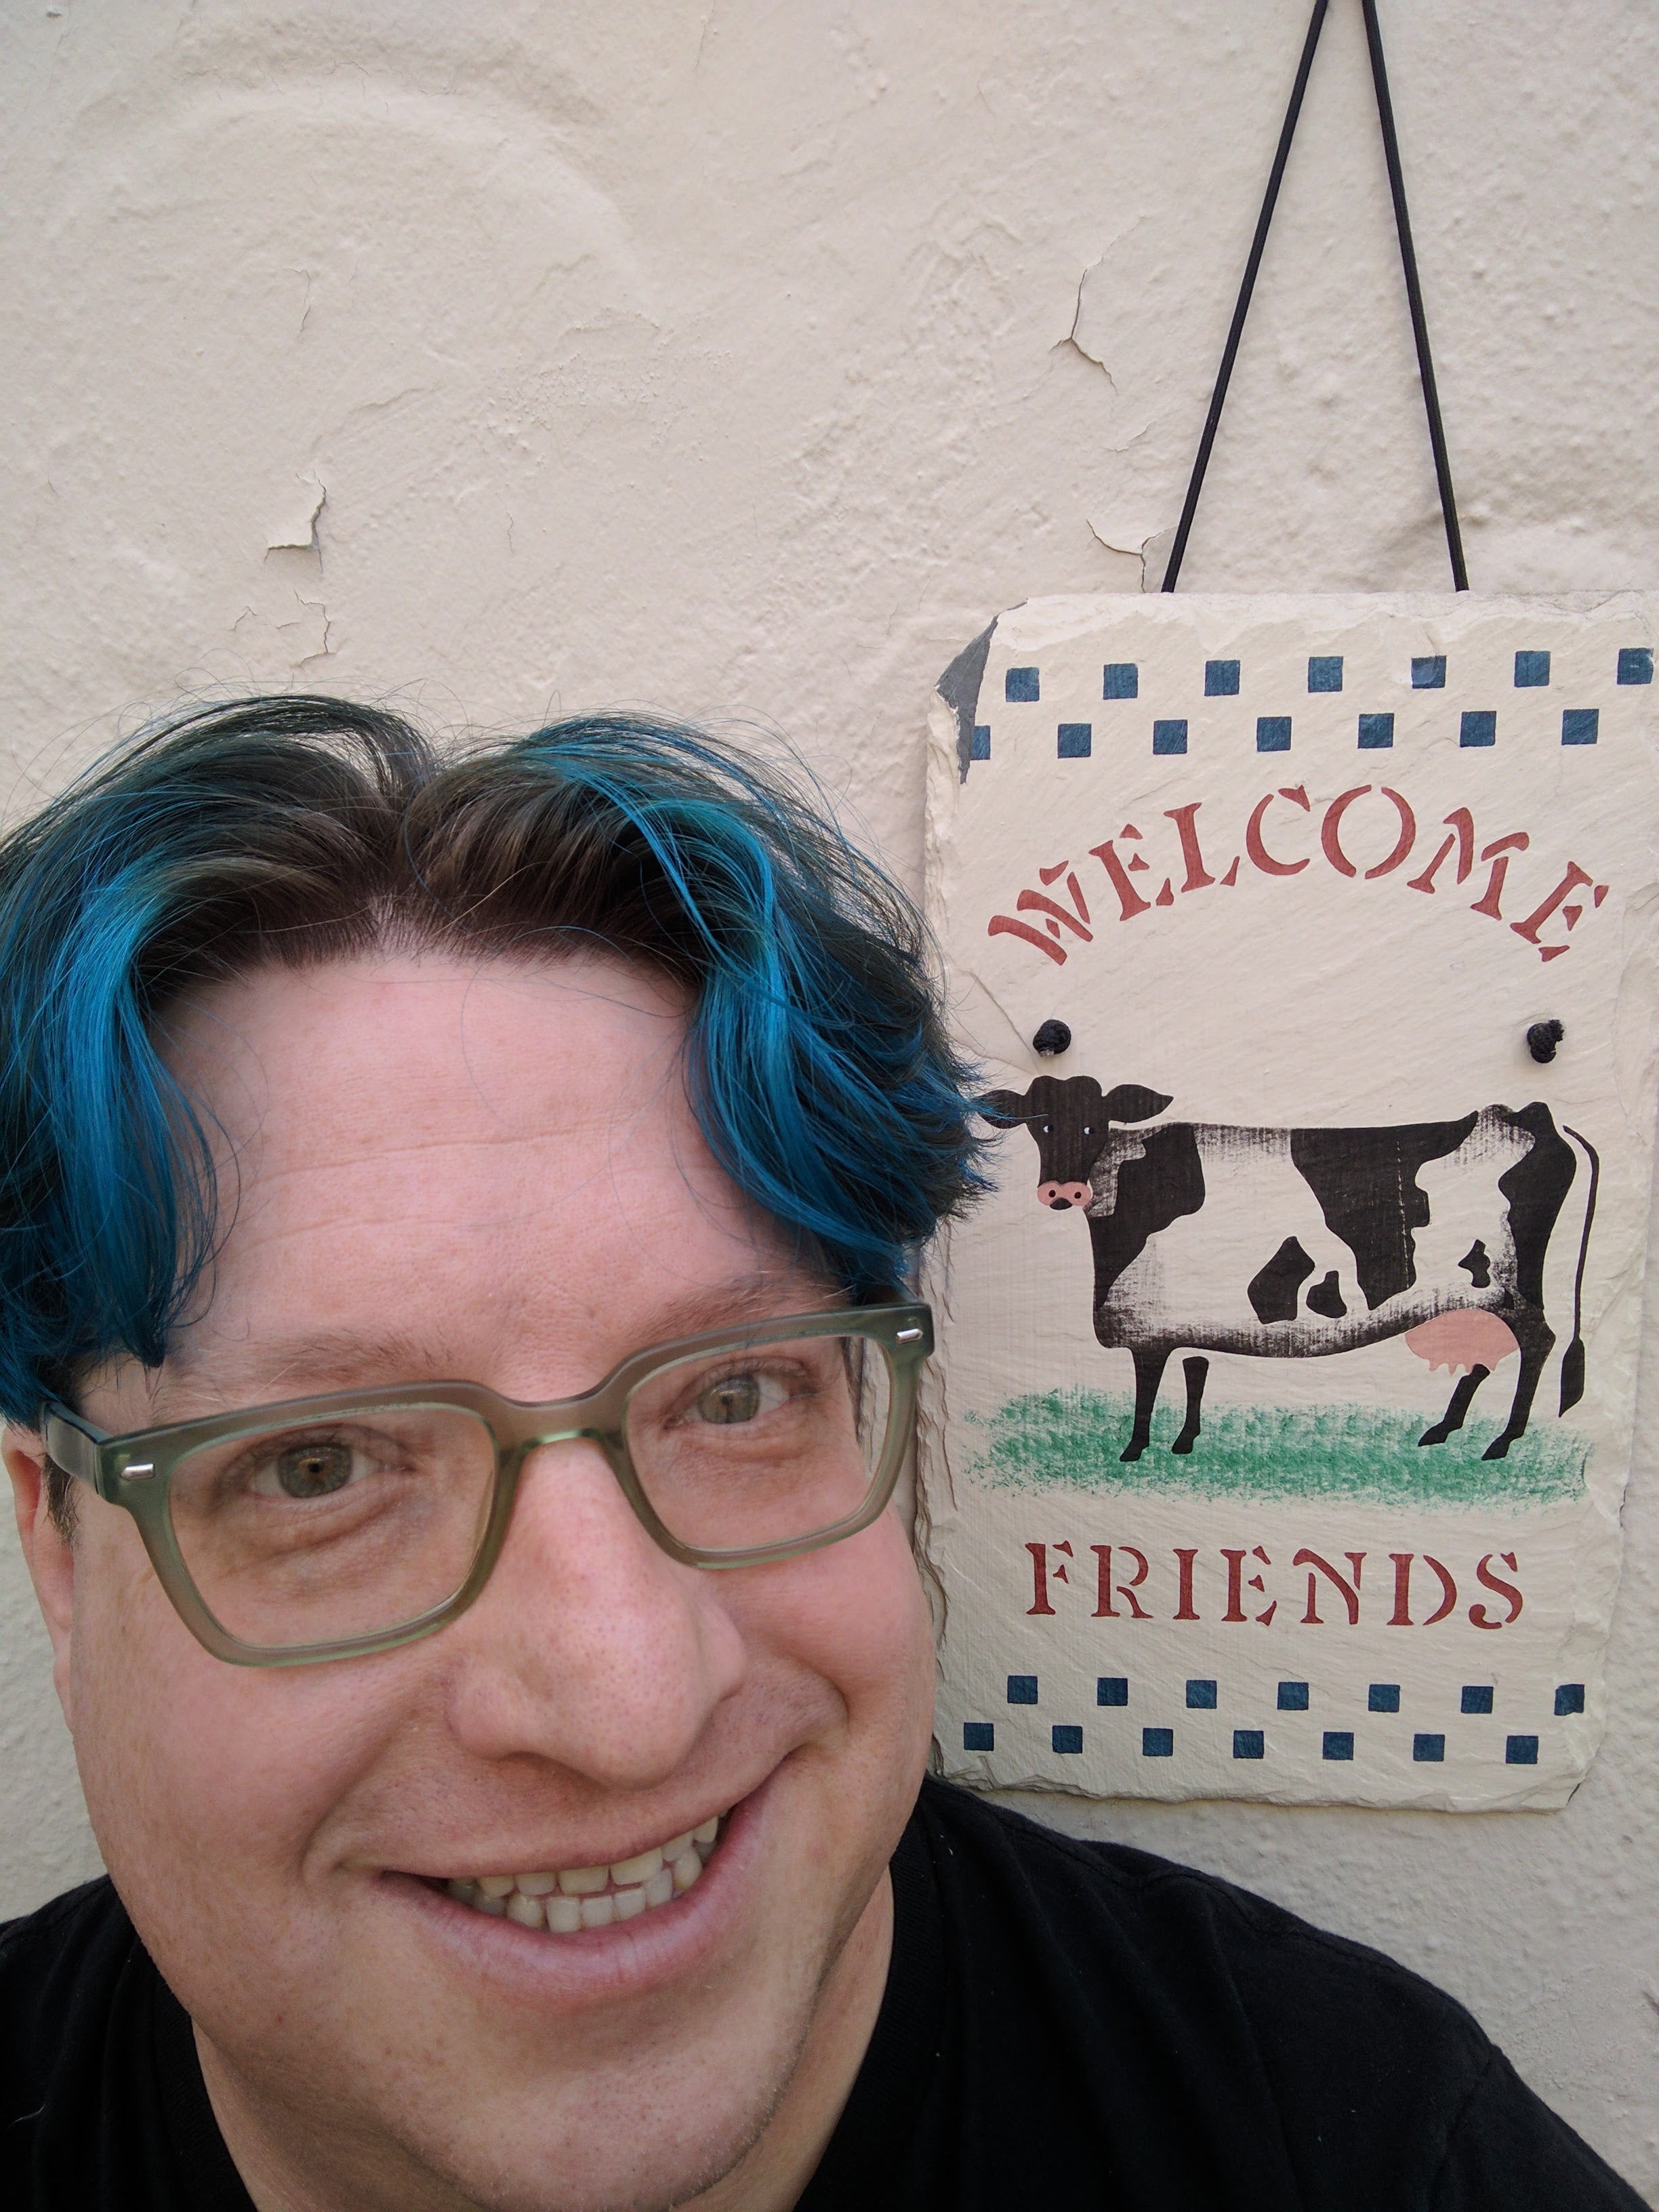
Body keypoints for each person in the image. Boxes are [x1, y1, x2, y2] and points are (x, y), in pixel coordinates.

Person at [0, 697, 1642, 2212]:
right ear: (58, 1553)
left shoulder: (1364, 2160)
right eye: (319, 1467)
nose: (628, 1707)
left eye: (735, 1396)